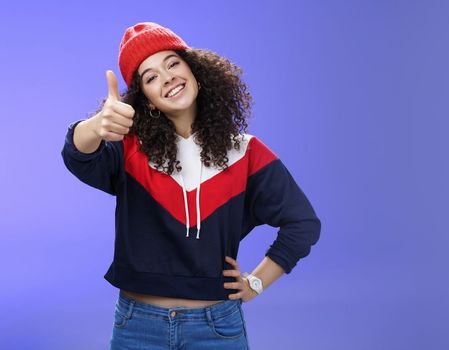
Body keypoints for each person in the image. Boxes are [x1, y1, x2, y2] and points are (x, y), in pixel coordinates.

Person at [60, 22, 321, 349]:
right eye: (151, 77)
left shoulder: (246, 152)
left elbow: (303, 223)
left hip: (216, 328)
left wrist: (256, 283)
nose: (167, 77)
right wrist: (95, 126)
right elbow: (78, 156)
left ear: (195, 70)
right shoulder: (128, 150)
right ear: (148, 101)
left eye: (173, 63)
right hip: (136, 326)